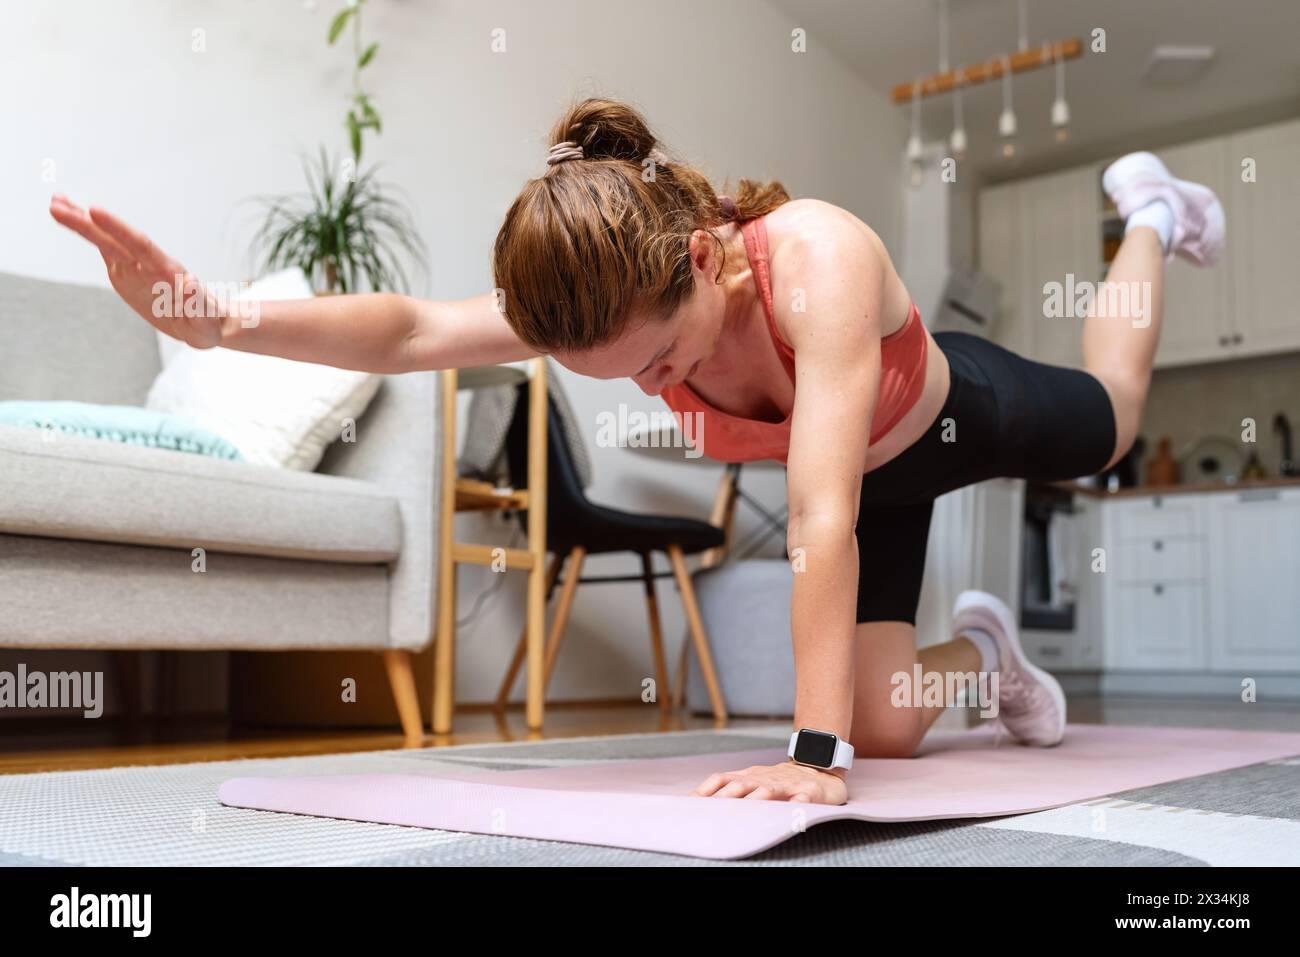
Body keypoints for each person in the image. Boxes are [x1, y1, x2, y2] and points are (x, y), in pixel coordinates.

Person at [49, 97, 1224, 806]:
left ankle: (1152, 220)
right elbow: (411, 328)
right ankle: (984, 656)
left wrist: (808, 758)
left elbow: (821, 521)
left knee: (1113, 420)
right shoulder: (608, 299)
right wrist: (216, 320)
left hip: (952, 414)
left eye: (663, 365)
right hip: (864, 486)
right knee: (890, 727)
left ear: (707, 261)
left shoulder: (816, 260)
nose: (658, 391)